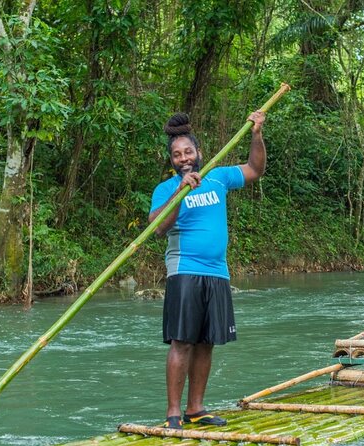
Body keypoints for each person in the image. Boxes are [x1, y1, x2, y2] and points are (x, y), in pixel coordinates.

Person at [148, 110, 266, 430]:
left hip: (218, 272)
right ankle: (173, 413)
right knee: (182, 340)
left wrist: (256, 133)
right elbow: (157, 228)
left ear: (199, 152)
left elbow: (255, 169)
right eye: (177, 155)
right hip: (184, 270)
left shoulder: (218, 176)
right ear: (171, 160)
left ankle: (195, 409)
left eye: (188, 152)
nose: (184, 159)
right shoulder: (166, 189)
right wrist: (179, 190)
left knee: (206, 341)